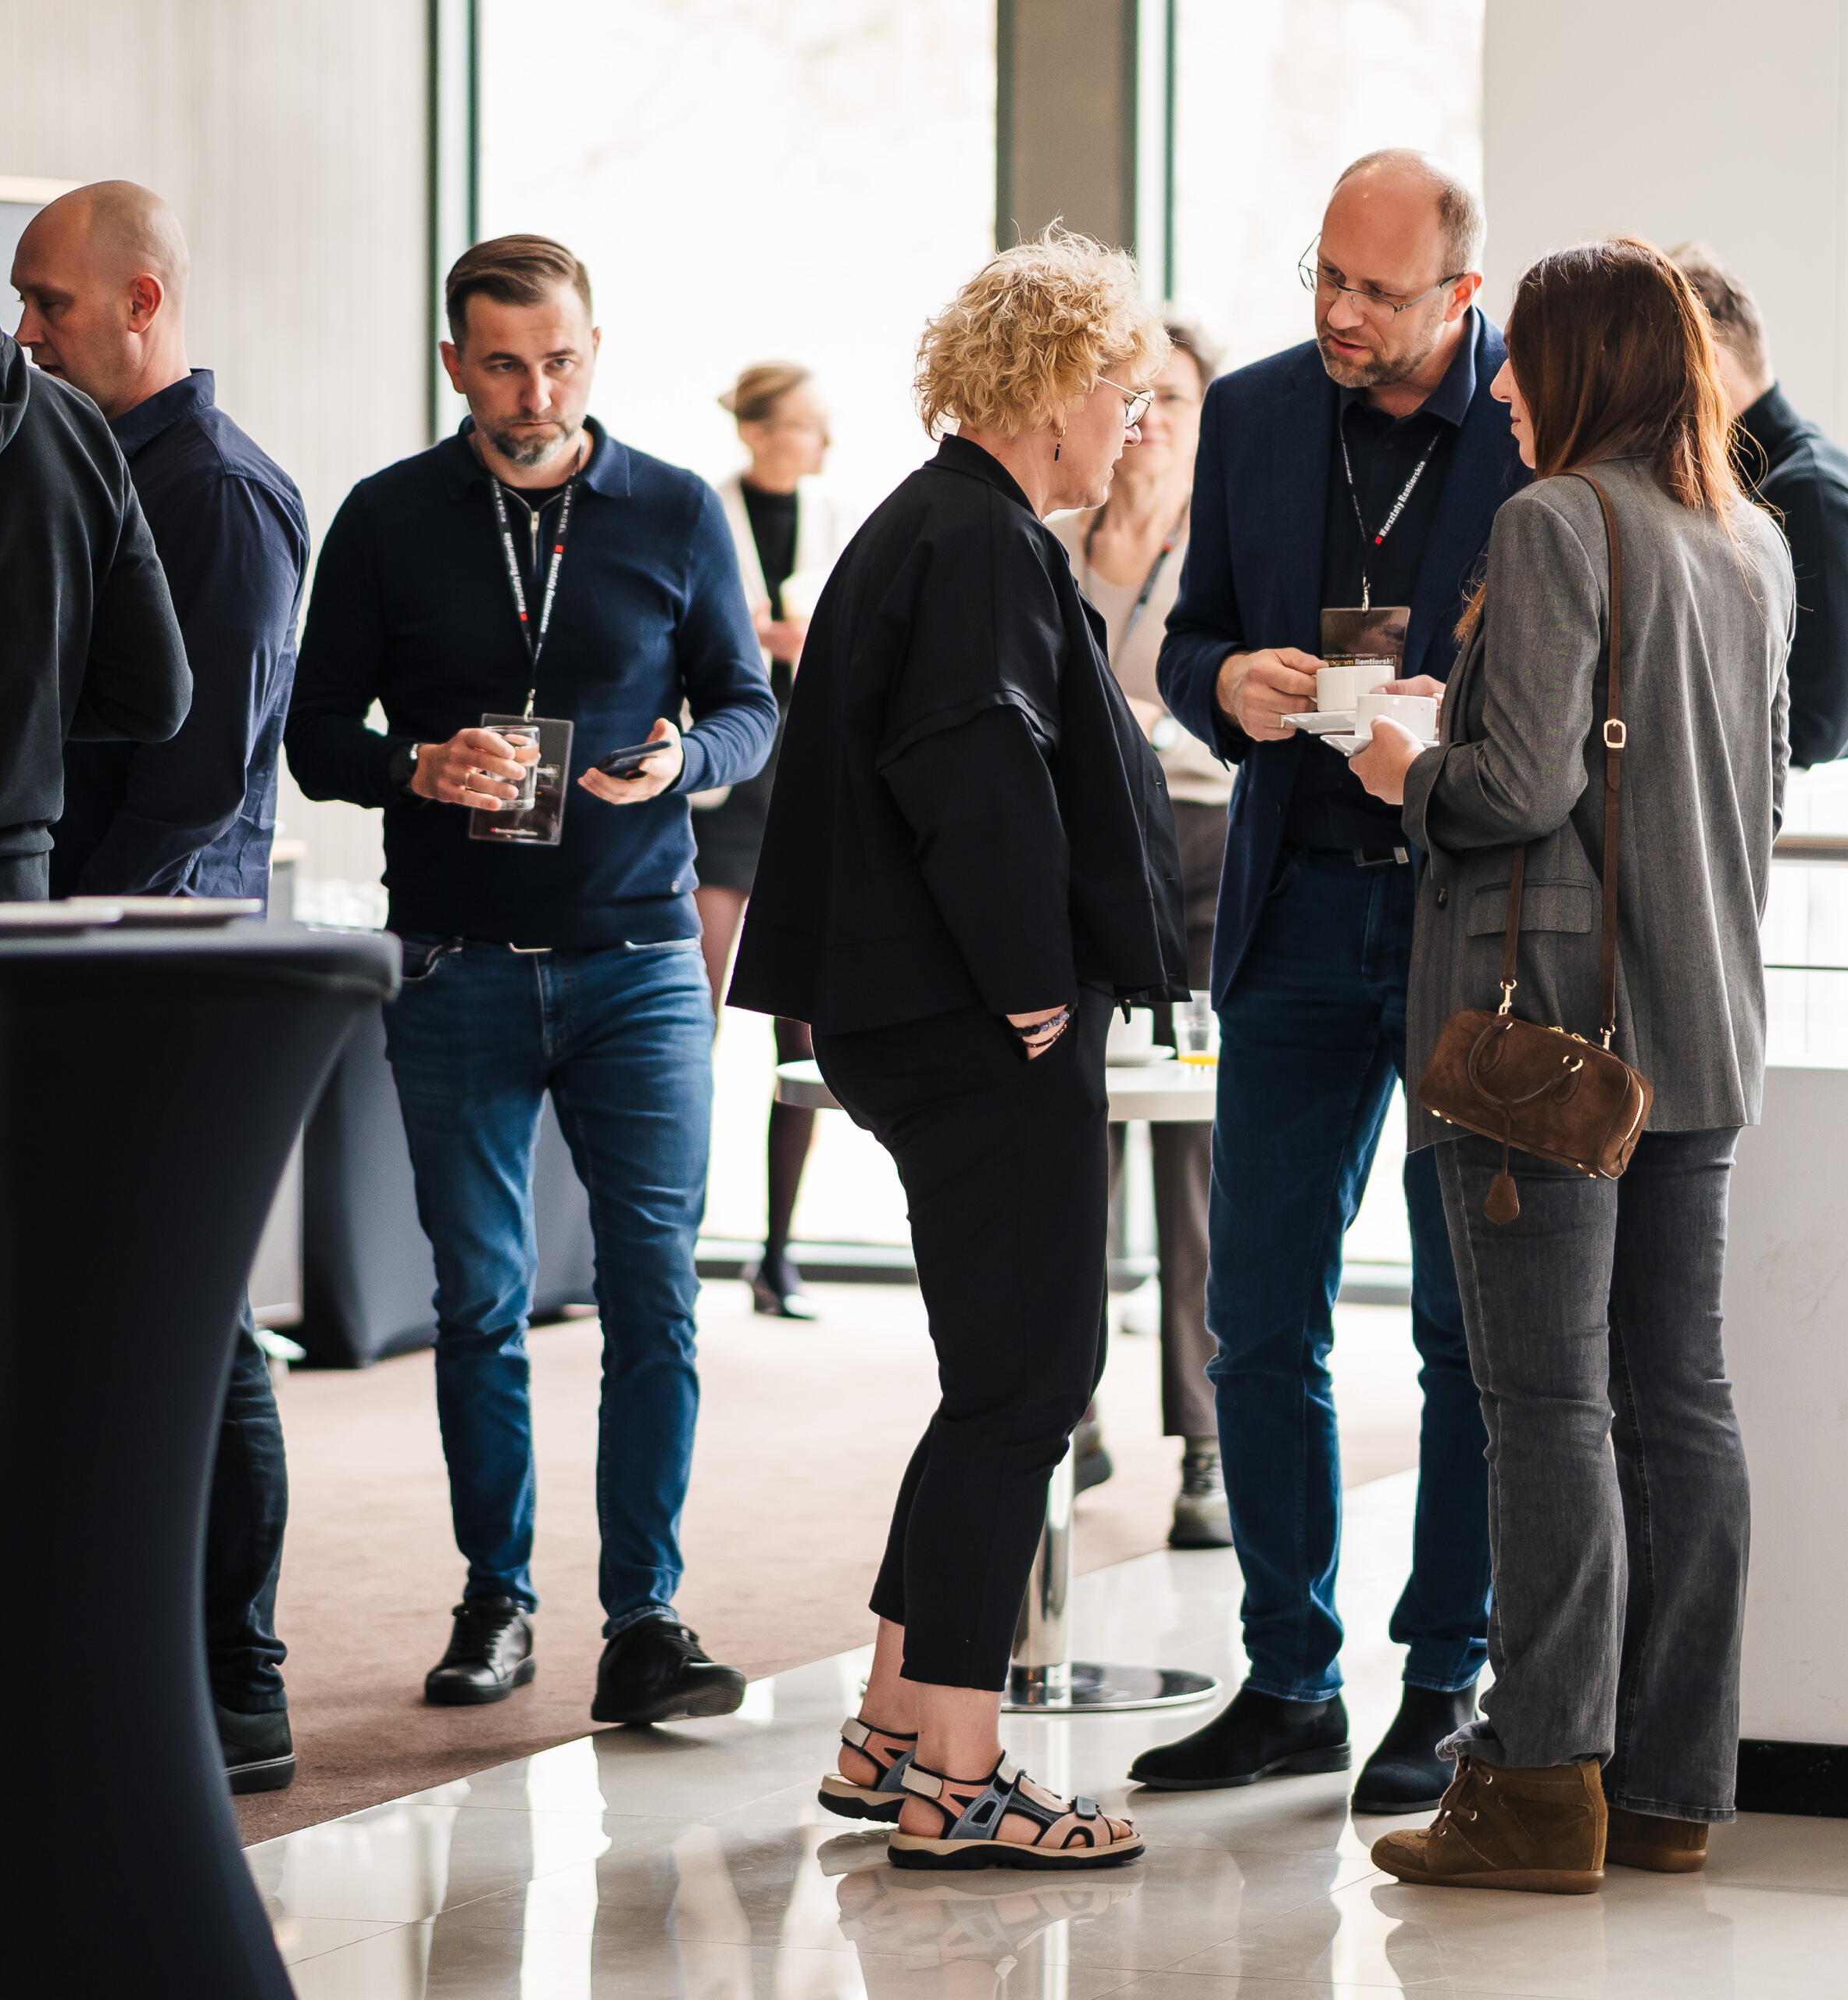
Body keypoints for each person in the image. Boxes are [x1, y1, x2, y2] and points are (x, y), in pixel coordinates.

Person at [731, 230, 1184, 1870]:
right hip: (973, 1020)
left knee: (992, 1382)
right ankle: (962, 1779)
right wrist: (1027, 978)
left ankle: (889, 1728)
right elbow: (971, 763)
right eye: (1124, 391)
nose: (1135, 422)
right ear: (1054, 391)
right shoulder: (980, 539)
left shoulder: (937, 521)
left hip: (911, 1011)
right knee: (1028, 1386)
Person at [1351, 238, 1792, 1894]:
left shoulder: (1556, 523)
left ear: (1584, 367)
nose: (1504, 394)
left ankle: (1540, 1787)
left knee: (1547, 1407)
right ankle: (1670, 1786)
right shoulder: (1748, 540)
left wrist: (1409, 765)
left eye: (1523, 361)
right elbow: (1759, 800)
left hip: (1543, 1040)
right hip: (1699, 1028)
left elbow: (1516, 787)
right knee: (1680, 1403)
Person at [285, 234, 774, 1724]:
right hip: (457, 966)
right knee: (480, 1301)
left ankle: (647, 1619)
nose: (535, 393)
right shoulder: (389, 517)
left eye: (559, 361)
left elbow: (749, 705)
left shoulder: (675, 509)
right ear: (456, 365)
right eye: (503, 365)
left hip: (640, 965)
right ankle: (495, 1597)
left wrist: (683, 764)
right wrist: (415, 767)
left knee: (655, 1296)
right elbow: (314, 734)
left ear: (594, 352)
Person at [1145, 148, 1522, 1814]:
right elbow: (1186, 639)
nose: (1340, 312)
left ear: (1461, 291)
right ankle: (1290, 1678)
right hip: (1294, 906)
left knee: (1461, 1331)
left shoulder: (1530, 427)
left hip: (1464, 919)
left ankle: (1445, 1681)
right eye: (1325, 275)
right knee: (1255, 1319)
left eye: (1378, 289)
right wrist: (1227, 676)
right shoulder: (1255, 412)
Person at [11, 180, 315, 1795]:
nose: (25, 332)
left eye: (49, 302)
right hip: (73, 950)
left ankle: (240, 1678)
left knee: (204, 1325)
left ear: (141, 300)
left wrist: (71, 928)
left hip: (157, 962)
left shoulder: (223, 495)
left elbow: (196, 775)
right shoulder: (72, 463)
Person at [1049, 314, 1235, 1550]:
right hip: (1079, 864)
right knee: (1070, 1145)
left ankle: (1206, 1443)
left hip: (1205, 854)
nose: (1151, 417)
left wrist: (1147, 723)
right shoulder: (1054, 542)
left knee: (1196, 1156)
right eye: (1134, 395)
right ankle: (1069, 1411)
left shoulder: (1227, 549)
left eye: (1174, 397)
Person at [691, 363, 845, 1320]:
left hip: (807, 785)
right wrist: (748, 636)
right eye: (807, 425)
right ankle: (673, 1239)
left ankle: (777, 1255)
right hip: (725, 788)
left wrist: (805, 641)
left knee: (804, 1033)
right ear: (758, 432)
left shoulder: (835, 520)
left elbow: (862, 645)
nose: (823, 442)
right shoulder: (705, 512)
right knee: (692, 1019)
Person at [0, 310, 189, 900]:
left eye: (51, 303)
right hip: (8, 884)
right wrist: (30, 710)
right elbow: (157, 700)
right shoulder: (74, 423)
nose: (25, 330)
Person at [1668, 244, 1848, 766]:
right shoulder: (1778, 483)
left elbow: (1816, 727)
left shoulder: (1812, 494)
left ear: (1707, 362)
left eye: (1657, 367)